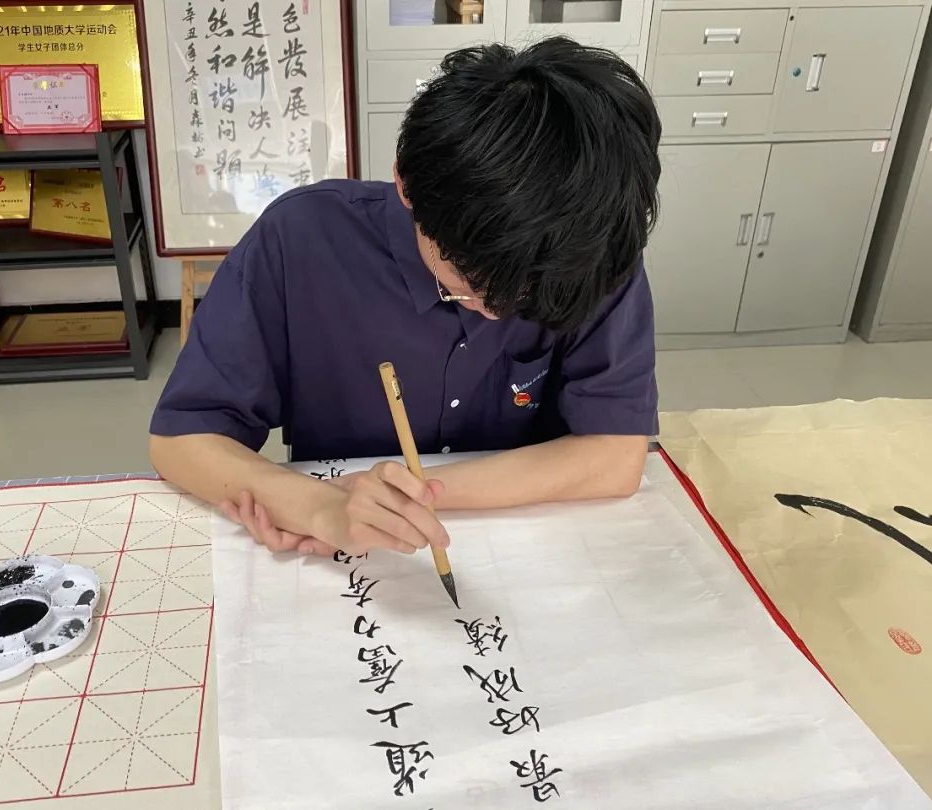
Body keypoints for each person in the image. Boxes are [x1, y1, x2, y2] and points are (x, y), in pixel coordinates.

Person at [149, 36, 662, 559]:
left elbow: (616, 457)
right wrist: (318, 507)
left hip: (531, 551)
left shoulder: (590, 249)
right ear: (406, 184)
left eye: (531, 292)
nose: (501, 309)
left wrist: (401, 498)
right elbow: (182, 440)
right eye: (471, 279)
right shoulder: (302, 238)